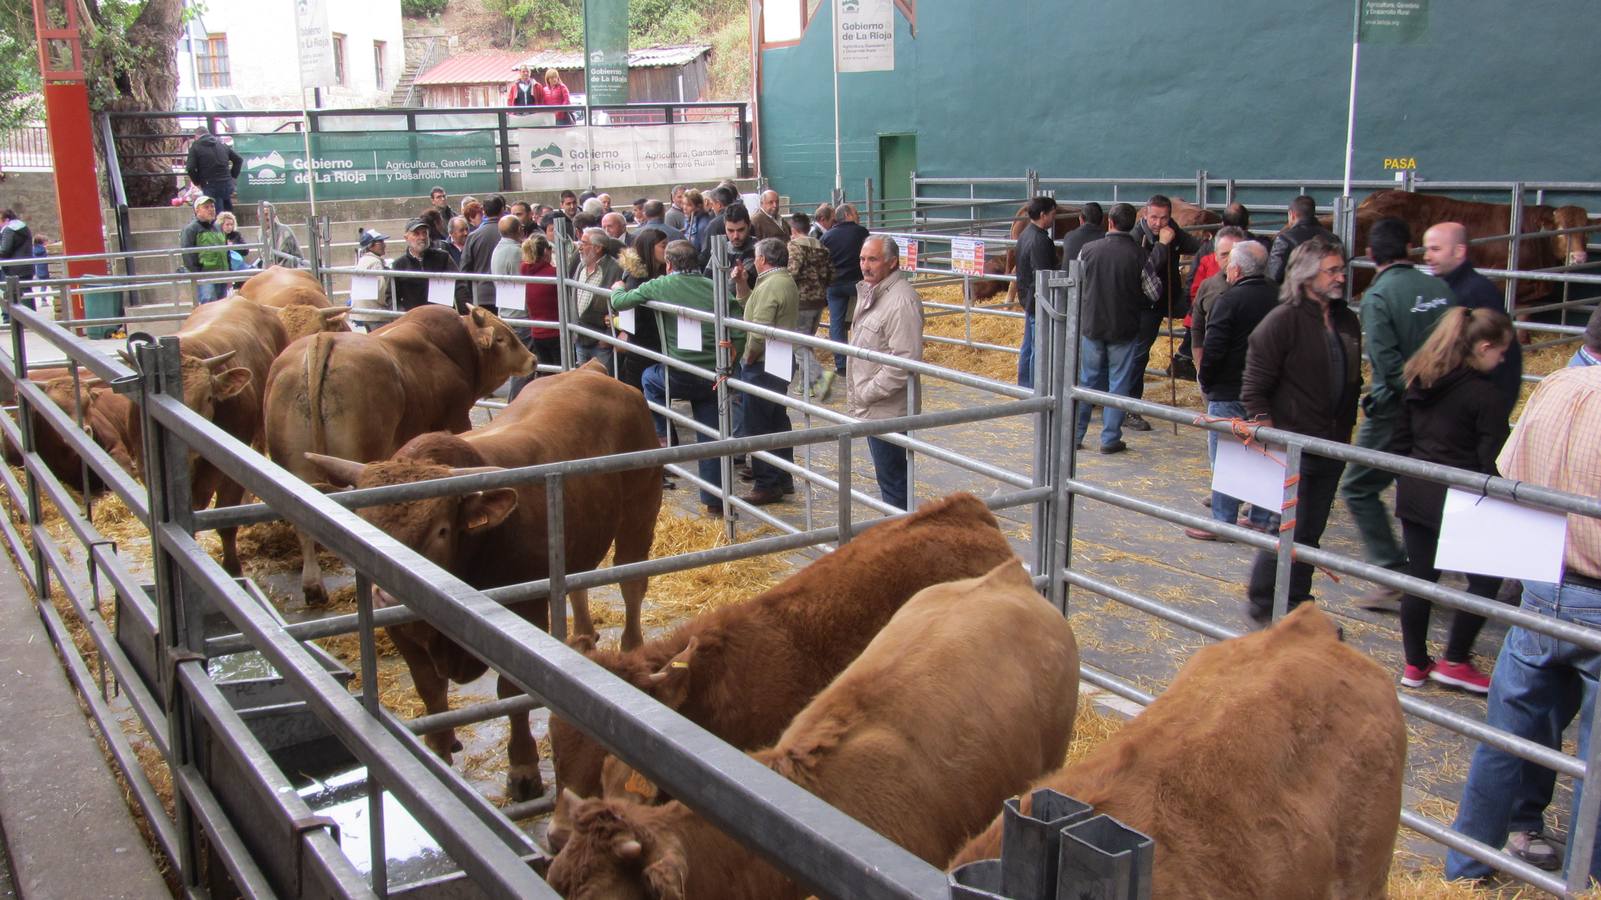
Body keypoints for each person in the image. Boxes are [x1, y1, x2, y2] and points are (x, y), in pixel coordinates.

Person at [1446, 364, 1601, 884]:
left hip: (1542, 580)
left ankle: (1465, 868)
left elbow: (1508, 468)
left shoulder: (1555, 383)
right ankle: (1587, 881)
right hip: (1597, 593)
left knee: (1505, 735)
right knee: (1596, 759)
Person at [1389, 307, 1514, 694]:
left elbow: (1398, 440)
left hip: (1416, 489)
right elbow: (1490, 458)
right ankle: (1456, 660)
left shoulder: (1420, 379)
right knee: (1487, 576)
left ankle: (1415, 663)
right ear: (1483, 346)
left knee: (1421, 575)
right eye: (1501, 352)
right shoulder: (1486, 395)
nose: (1503, 360)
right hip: (1460, 498)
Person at [1240, 236, 1362, 626]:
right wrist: (1270, 440)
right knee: (1289, 526)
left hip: (1333, 443)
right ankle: (1266, 599)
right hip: (1294, 444)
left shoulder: (1346, 319)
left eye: (1342, 269)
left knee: (1309, 530)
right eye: (1332, 270)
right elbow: (1254, 388)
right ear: (1308, 274)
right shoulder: (1283, 321)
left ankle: (1296, 599)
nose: (1341, 277)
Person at [1340, 217, 1454, 612]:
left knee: (1357, 485)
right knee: (1432, 486)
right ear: (1409, 248)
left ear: (1371, 255)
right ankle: (1427, 566)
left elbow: (1389, 366)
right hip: (1446, 404)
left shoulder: (1379, 296)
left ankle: (1392, 572)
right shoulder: (1439, 288)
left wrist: (1393, 395)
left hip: (1399, 408)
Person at [609, 240, 745, 515]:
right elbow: (739, 321)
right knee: (710, 435)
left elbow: (620, 302)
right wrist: (732, 358)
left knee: (648, 378)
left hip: (680, 372)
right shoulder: (713, 286)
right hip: (713, 373)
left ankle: (661, 431)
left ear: (669, 264)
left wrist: (618, 288)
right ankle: (714, 500)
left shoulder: (660, 285)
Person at [1190, 240, 1280, 540]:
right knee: (1262, 452)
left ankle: (1223, 521)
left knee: (1226, 456)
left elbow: (1214, 348)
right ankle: (1259, 517)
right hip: (1268, 391)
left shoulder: (1228, 301)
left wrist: (1207, 380)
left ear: (1236, 269)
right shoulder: (1280, 297)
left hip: (1229, 389)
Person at [846, 235, 922, 511]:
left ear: (892, 263)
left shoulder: (901, 301)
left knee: (893, 481)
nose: (865, 265)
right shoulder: (872, 292)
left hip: (889, 409)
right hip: (876, 406)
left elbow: (904, 360)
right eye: (863, 259)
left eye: (873, 259)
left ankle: (902, 540)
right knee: (888, 477)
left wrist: (867, 392)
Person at [1423, 221, 1525, 411]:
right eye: (1426, 249)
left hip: (1477, 401)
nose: (1426, 257)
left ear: (1459, 251)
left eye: (1435, 249)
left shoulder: (1476, 292)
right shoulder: (1446, 288)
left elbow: (1498, 349)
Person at [1072, 203, 1148, 454]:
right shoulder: (1138, 254)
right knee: (1119, 383)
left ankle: (1076, 434)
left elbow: (1077, 282)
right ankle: (1109, 439)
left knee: (1087, 381)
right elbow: (1154, 291)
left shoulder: (1088, 250)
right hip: (1124, 328)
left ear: (1110, 222)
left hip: (1093, 324)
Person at [1128, 194, 1201, 428]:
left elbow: (1195, 246)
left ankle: (1184, 355)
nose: (1159, 223)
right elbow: (1145, 272)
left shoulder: (1172, 230)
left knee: (1202, 311)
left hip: (1169, 299)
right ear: (1145, 215)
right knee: (1138, 357)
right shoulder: (1136, 239)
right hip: (1144, 307)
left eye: (1164, 218)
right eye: (1154, 217)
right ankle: (1129, 409)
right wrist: (1163, 244)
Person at [737, 238, 800, 504]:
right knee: (776, 419)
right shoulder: (781, 281)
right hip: (779, 358)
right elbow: (750, 305)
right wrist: (741, 282)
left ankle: (767, 483)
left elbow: (760, 328)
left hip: (763, 362)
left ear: (763, 259)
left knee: (758, 423)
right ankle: (782, 476)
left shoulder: (772, 285)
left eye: (755, 256)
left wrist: (749, 356)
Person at [818, 203, 870, 399]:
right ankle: (861, 360)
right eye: (856, 213)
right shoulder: (861, 232)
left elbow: (822, 260)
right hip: (858, 282)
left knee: (836, 323)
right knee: (863, 319)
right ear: (848, 215)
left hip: (835, 284)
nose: (858, 216)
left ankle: (841, 364)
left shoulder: (827, 236)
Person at [613, 227, 670, 395]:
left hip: (652, 346)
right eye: (663, 245)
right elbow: (633, 311)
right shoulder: (636, 278)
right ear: (649, 248)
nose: (667, 250)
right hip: (643, 348)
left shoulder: (659, 273)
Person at [507, 233, 561, 400]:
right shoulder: (553, 273)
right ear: (546, 251)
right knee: (560, 374)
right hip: (555, 331)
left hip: (537, 331)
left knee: (546, 373)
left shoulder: (525, 269)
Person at [1013, 196, 1058, 390]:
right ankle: (1035, 388)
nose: (1054, 218)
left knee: (1028, 346)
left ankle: (1024, 384)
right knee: (1037, 348)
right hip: (1037, 298)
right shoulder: (1040, 240)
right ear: (1043, 215)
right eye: (1053, 214)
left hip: (1027, 297)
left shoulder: (1025, 234)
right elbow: (1042, 273)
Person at [1188, 227, 1246, 371]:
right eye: (1225, 254)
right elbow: (1197, 327)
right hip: (1215, 369)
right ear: (1215, 257)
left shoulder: (1264, 288)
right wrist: (1200, 366)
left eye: (1236, 254)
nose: (1231, 260)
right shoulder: (1207, 286)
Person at [788, 213, 833, 391]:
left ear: (793, 230)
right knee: (806, 342)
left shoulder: (794, 246)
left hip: (801, 301)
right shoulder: (822, 247)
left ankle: (820, 381)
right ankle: (805, 385)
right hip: (819, 301)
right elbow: (831, 273)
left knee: (798, 344)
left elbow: (792, 272)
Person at [391, 217, 468, 312]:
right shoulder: (399, 265)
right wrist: (403, 316)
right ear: (406, 238)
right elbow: (391, 297)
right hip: (415, 320)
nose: (422, 237)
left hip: (442, 317)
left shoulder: (442, 257)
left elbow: (459, 285)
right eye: (416, 234)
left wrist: (463, 312)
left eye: (424, 233)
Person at [573, 227, 623, 371]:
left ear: (598, 248)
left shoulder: (615, 269)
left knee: (603, 384)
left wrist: (607, 338)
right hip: (580, 337)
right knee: (583, 384)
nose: (579, 246)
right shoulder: (581, 265)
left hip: (601, 342)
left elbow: (620, 305)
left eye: (584, 243)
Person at [1267, 194, 1334, 283]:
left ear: (1292, 215)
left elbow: (1274, 276)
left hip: (1294, 293)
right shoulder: (1333, 238)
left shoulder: (1284, 239)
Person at [462, 195, 508, 312]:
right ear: (502, 210)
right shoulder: (510, 234)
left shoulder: (473, 237)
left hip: (482, 296)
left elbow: (465, 268)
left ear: (484, 211)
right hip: (507, 293)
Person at [179, 196, 229, 303]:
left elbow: (226, 251)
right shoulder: (191, 229)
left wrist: (228, 272)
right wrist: (198, 274)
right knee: (208, 301)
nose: (211, 209)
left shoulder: (218, 227)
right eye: (206, 207)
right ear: (197, 210)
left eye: (212, 206)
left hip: (222, 274)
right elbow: (187, 255)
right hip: (205, 275)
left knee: (222, 305)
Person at [183, 126, 243, 213]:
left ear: (196, 136)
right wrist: (232, 176)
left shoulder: (196, 147)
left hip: (210, 184)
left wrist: (197, 182)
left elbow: (190, 168)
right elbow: (238, 160)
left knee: (216, 214)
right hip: (226, 182)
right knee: (228, 213)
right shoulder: (221, 144)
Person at [352, 228, 390, 331]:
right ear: (370, 245)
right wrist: (385, 305)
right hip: (375, 313)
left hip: (363, 311)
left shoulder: (363, 260)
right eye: (380, 242)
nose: (384, 245)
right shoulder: (375, 262)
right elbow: (381, 289)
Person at [490, 214, 525, 318]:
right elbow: (523, 280)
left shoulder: (497, 249)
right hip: (517, 314)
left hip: (505, 310)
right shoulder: (516, 252)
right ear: (519, 229)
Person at [0, 208, 34, 307]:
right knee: (26, 297)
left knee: (18, 300)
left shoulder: (9, 229)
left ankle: (25, 322)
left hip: (14, 270)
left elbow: (4, 250)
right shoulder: (21, 227)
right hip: (24, 268)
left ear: (6, 220)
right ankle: (31, 321)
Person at [258, 201, 302, 267]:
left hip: (287, 270)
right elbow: (262, 255)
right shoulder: (259, 232)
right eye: (262, 215)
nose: (265, 218)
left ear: (274, 216)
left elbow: (277, 257)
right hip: (271, 270)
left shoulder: (284, 231)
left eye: (267, 214)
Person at [216, 211, 250, 289]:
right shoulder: (216, 235)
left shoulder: (236, 235)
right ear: (221, 225)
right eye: (227, 224)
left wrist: (233, 246)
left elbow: (245, 251)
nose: (230, 227)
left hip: (236, 264)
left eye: (231, 224)